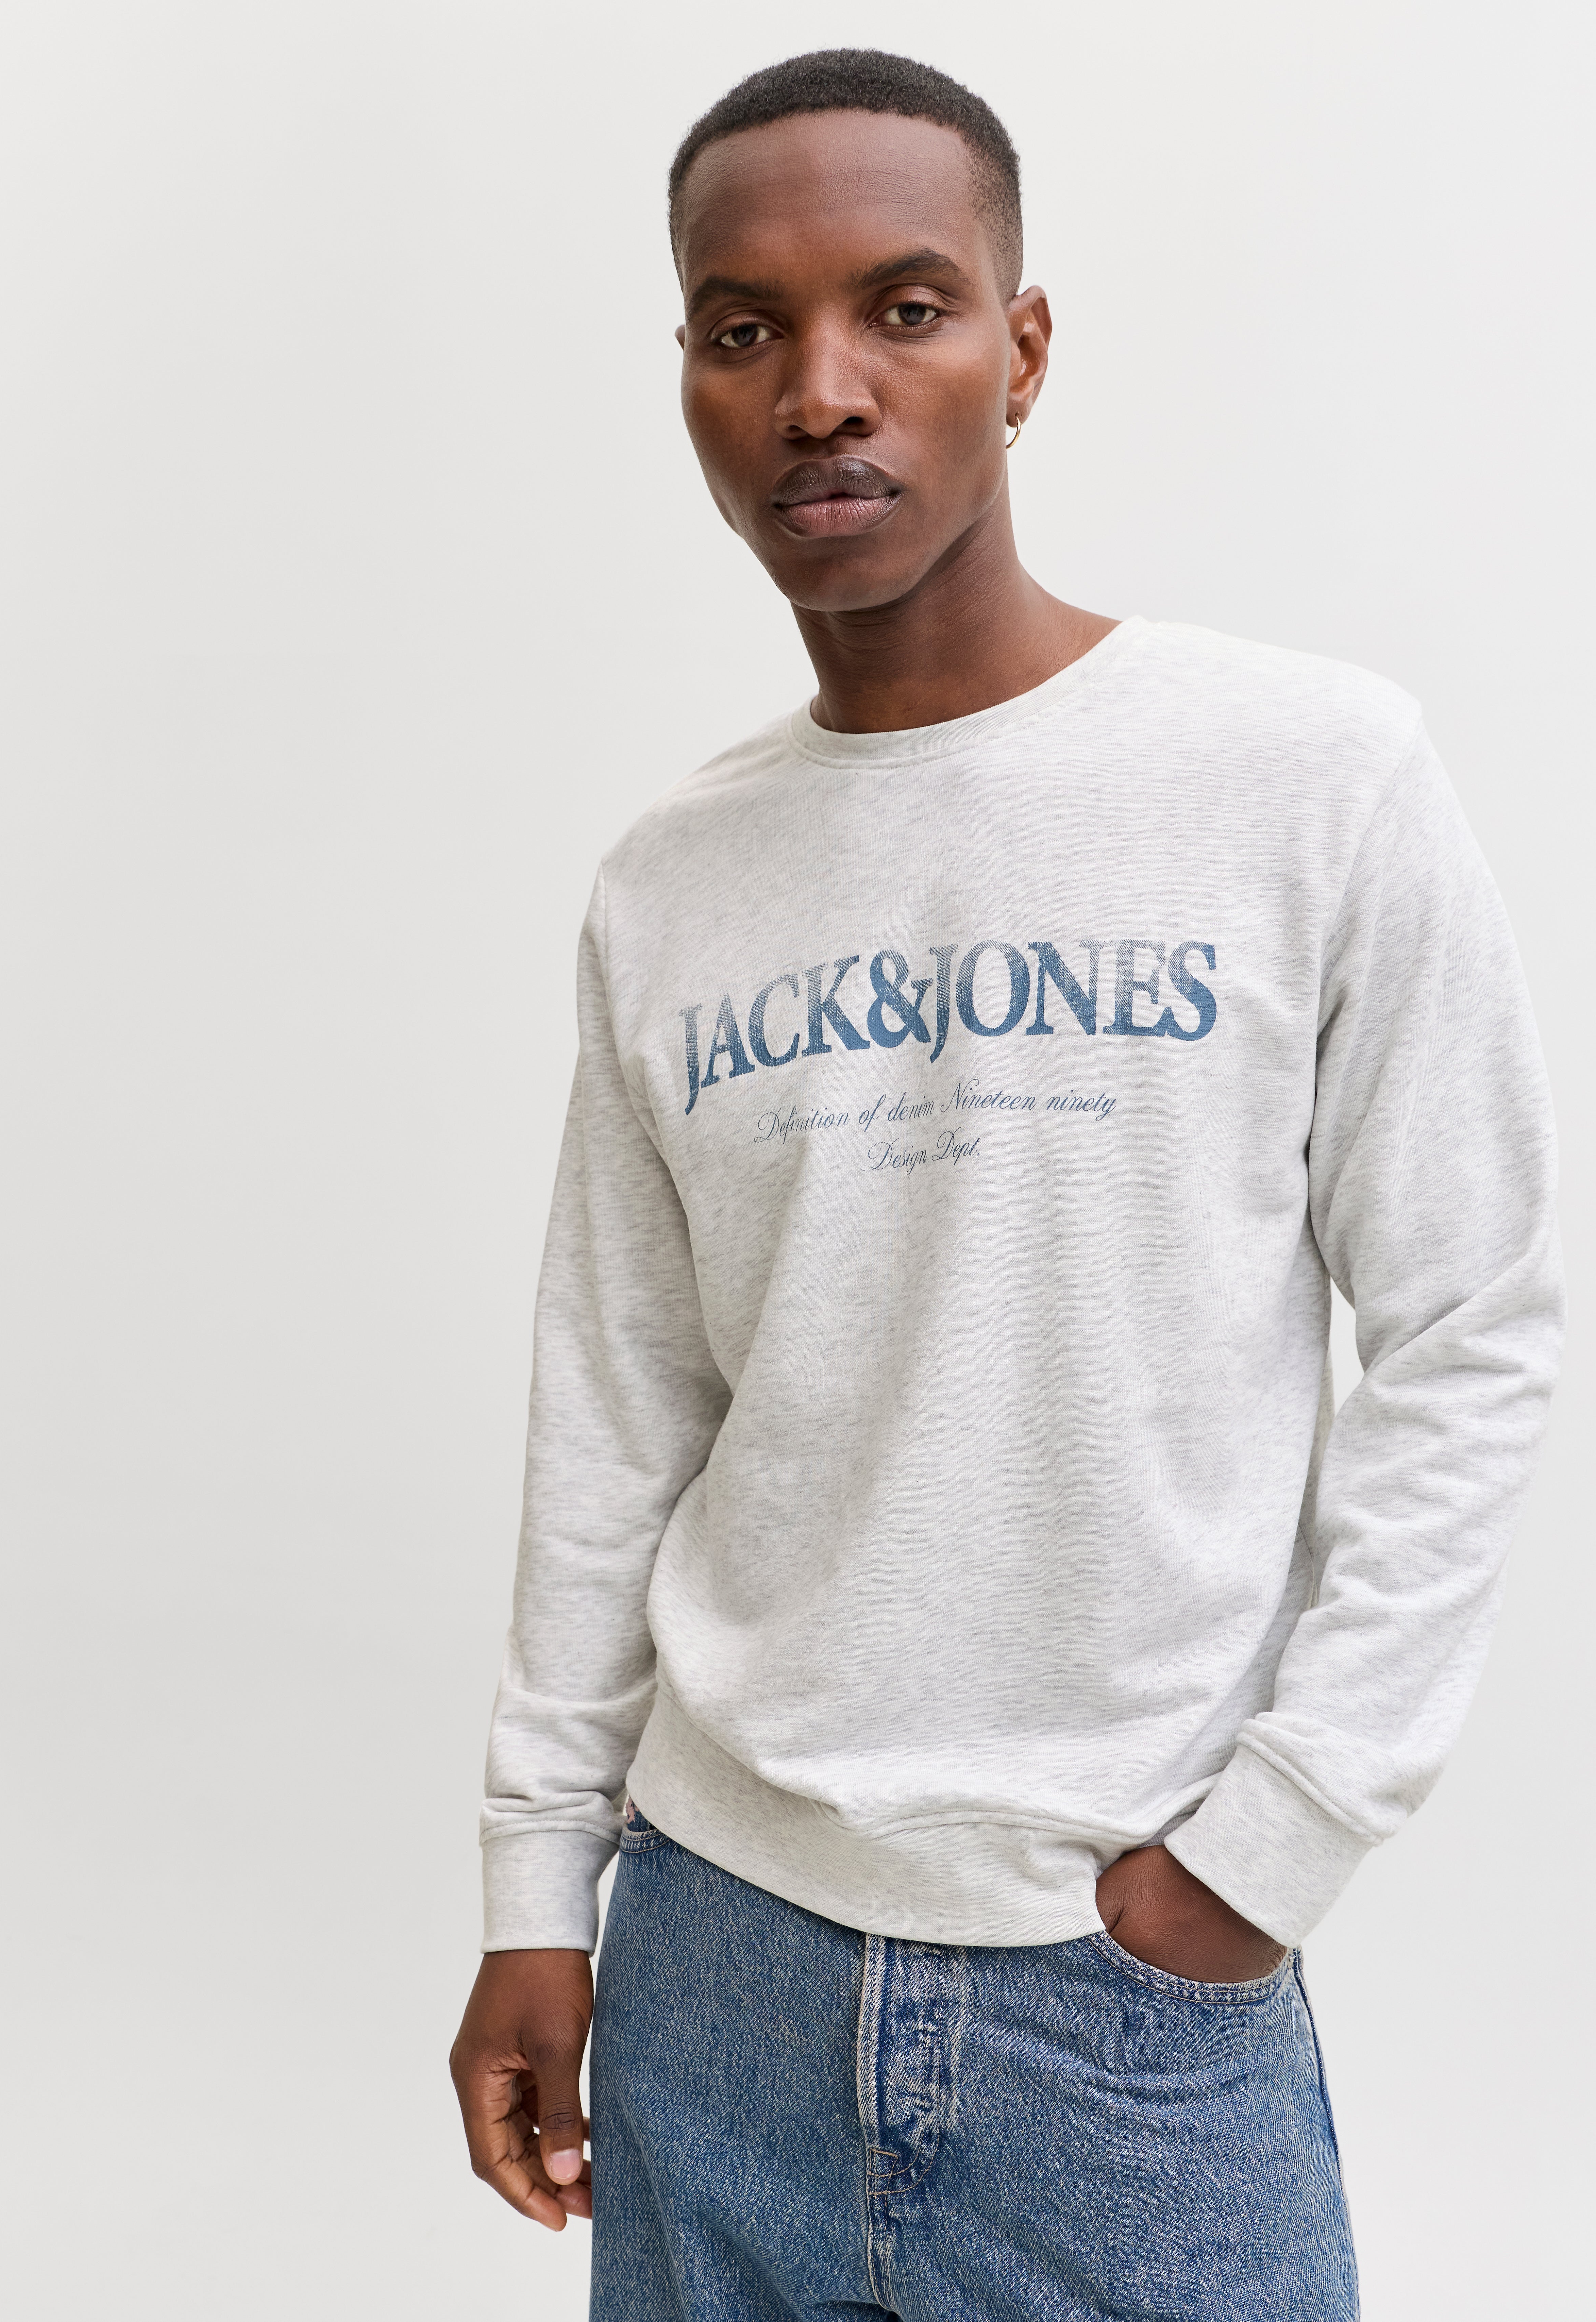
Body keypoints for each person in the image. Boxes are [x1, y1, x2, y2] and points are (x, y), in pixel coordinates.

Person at [450, 47, 1563, 2321]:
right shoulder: (670, 883)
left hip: (1120, 1992)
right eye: (741, 329)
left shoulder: (1306, 775)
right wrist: (536, 1896)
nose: (819, 392)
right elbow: (618, 1417)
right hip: (717, 1963)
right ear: (688, 382)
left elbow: (1474, 1323)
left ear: (1022, 349)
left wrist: (1265, 1852)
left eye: (905, 307)